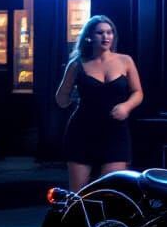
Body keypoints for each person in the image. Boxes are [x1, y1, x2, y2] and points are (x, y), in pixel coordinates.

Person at [56, 15, 143, 190]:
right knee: (78, 194)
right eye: (100, 33)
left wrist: (126, 106)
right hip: (82, 132)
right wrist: (70, 98)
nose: (106, 37)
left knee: (112, 192)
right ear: (89, 37)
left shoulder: (125, 61)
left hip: (115, 133)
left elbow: (138, 92)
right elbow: (61, 99)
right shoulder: (77, 64)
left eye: (110, 32)